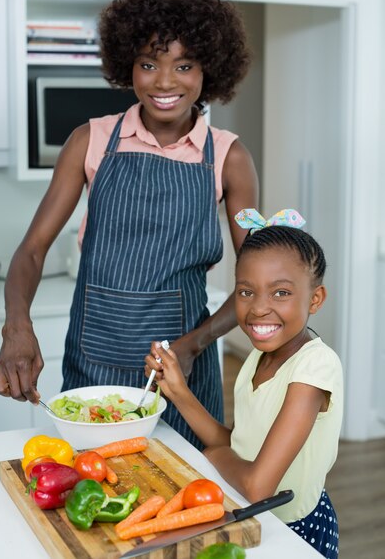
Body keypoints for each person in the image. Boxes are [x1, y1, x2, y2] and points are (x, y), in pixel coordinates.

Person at [0, 0, 259, 449]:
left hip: (183, 364)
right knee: (96, 485)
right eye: (149, 63)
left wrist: (192, 346)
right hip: (95, 356)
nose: (165, 81)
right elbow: (31, 251)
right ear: (126, 65)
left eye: (185, 65)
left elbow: (254, 282)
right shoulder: (89, 141)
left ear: (209, 70)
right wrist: (17, 328)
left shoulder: (228, 157)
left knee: (185, 491)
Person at [146, 209, 343, 559]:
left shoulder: (314, 368)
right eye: (246, 292)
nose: (259, 309)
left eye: (280, 293)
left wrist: (216, 457)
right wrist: (177, 390)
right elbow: (236, 444)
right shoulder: (259, 357)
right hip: (250, 521)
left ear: (315, 299)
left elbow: (256, 486)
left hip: (292, 533)